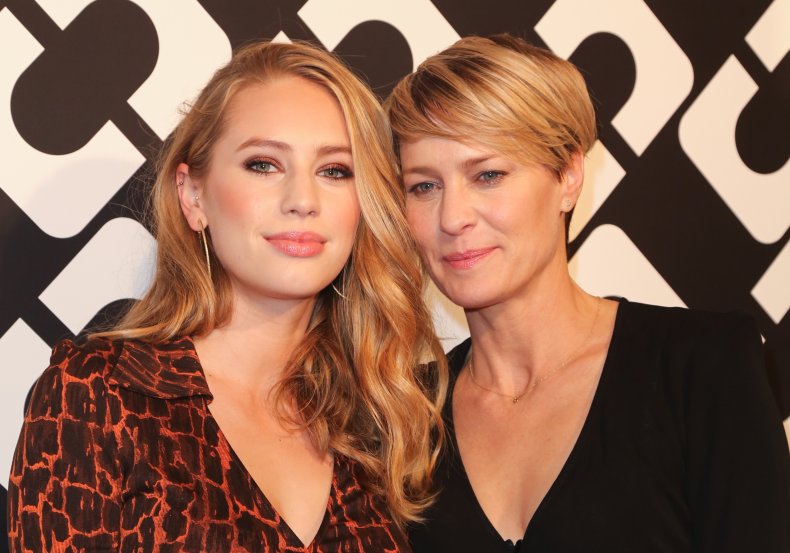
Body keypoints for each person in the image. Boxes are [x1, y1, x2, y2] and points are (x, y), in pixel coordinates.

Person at [8, 40, 447, 552]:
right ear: (193, 195)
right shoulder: (100, 393)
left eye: (335, 171)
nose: (302, 200)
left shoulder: (379, 419)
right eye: (263, 164)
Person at [385, 34, 790, 552]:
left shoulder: (702, 367)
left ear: (569, 176)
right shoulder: (403, 417)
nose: (453, 217)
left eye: (487, 175)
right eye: (424, 186)